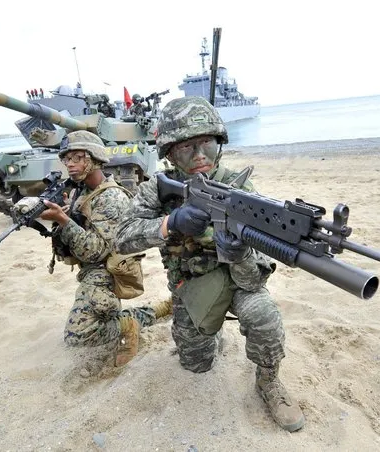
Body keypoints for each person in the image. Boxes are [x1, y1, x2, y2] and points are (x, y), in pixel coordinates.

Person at [114, 96, 305, 432]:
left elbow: (254, 280)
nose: (200, 156)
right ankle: (210, 336)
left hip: (237, 282)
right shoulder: (159, 189)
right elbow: (123, 239)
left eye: (208, 145)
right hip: (192, 289)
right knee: (196, 364)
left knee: (263, 314)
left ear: (221, 145)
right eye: (188, 148)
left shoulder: (241, 189)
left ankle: (269, 381)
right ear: (170, 153)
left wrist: (238, 252)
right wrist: (169, 224)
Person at [17, 130, 172, 369]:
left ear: (94, 159)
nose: (70, 164)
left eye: (78, 157)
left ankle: (129, 324)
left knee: (78, 337)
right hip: (93, 269)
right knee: (95, 319)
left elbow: (95, 251)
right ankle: (153, 310)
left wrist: (62, 219)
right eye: (67, 158)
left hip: (109, 270)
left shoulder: (111, 197)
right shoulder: (82, 190)